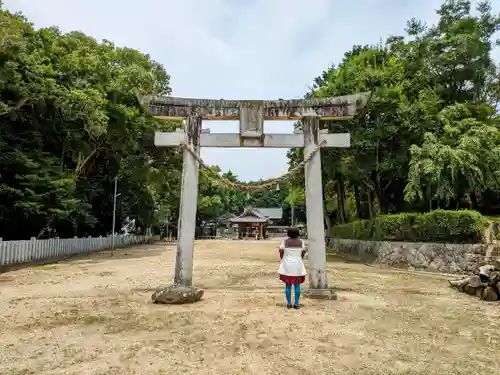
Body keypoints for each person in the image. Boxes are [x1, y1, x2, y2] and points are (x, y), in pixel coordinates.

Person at [278, 227, 307, 309]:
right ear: (298, 233)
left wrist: (283, 258)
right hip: (297, 265)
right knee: (297, 285)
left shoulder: (285, 241)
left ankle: (289, 303)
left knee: (288, 285)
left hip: (287, 265)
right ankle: (297, 303)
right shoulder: (301, 242)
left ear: (288, 234)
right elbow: (303, 252)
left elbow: (281, 251)